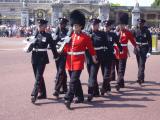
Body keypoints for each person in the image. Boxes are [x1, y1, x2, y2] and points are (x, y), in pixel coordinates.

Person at [63, 10, 98, 109]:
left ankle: (68, 98)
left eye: (77, 26)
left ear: (81, 26)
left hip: (78, 61)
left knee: (73, 81)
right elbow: (66, 49)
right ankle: (80, 96)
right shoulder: (70, 36)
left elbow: (91, 49)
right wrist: (62, 46)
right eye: (74, 26)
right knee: (76, 80)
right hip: (69, 61)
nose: (75, 28)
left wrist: (94, 57)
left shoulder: (85, 37)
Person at [30, 19, 59, 103]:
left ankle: (34, 94)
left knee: (38, 76)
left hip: (42, 57)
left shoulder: (48, 35)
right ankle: (43, 93)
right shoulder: (34, 34)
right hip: (34, 56)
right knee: (37, 76)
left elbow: (53, 46)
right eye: (38, 26)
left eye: (41, 26)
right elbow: (30, 43)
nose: (39, 27)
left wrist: (56, 56)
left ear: (45, 26)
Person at [114, 13, 139, 91]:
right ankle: (121, 83)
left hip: (123, 52)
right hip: (116, 52)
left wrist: (136, 46)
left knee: (121, 69)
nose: (121, 26)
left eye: (122, 25)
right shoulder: (116, 32)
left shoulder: (128, 32)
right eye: (120, 25)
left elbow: (132, 41)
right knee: (118, 69)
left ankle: (118, 83)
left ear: (124, 25)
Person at [101, 19, 122, 93]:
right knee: (103, 73)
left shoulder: (113, 34)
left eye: (107, 26)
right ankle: (108, 87)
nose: (106, 27)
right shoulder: (101, 34)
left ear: (110, 27)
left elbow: (118, 43)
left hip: (110, 55)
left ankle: (103, 88)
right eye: (105, 26)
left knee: (107, 73)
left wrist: (121, 49)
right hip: (102, 55)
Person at [52, 18, 69, 98]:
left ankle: (57, 89)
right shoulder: (56, 31)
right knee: (61, 72)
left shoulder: (67, 31)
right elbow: (52, 44)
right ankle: (65, 88)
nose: (61, 25)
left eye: (62, 24)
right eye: (60, 23)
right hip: (57, 54)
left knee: (60, 71)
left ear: (65, 24)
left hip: (64, 54)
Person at [134, 18, 152, 85]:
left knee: (142, 64)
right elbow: (132, 38)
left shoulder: (147, 31)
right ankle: (142, 78)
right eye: (138, 23)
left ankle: (139, 78)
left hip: (144, 49)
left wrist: (149, 52)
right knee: (139, 64)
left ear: (143, 24)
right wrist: (135, 46)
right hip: (137, 49)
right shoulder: (135, 30)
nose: (139, 24)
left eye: (141, 23)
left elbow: (150, 42)